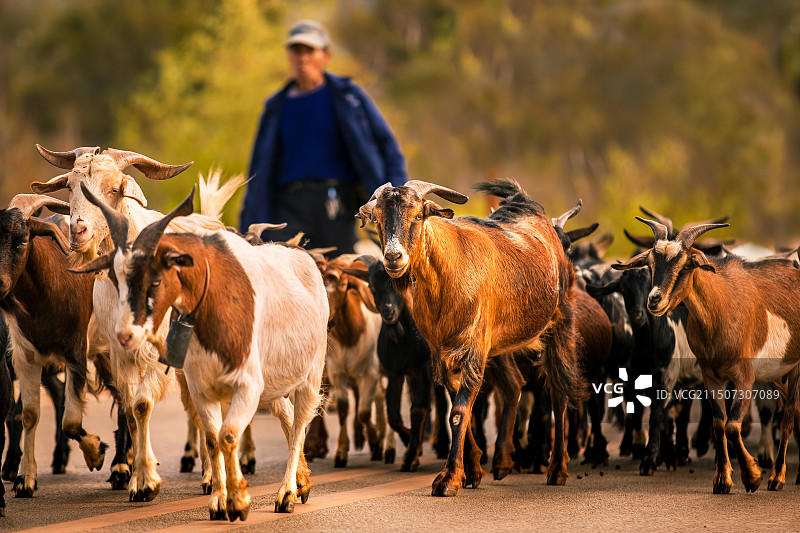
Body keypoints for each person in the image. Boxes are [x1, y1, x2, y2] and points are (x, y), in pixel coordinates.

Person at [240, 19, 407, 253]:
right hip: (288, 210)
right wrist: (247, 222)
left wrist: (397, 200)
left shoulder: (348, 98)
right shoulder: (275, 108)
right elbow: (257, 173)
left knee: (341, 278)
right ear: (289, 56)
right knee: (285, 274)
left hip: (335, 207)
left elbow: (387, 146)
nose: (302, 58)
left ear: (326, 55)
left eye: (310, 50)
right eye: (296, 51)